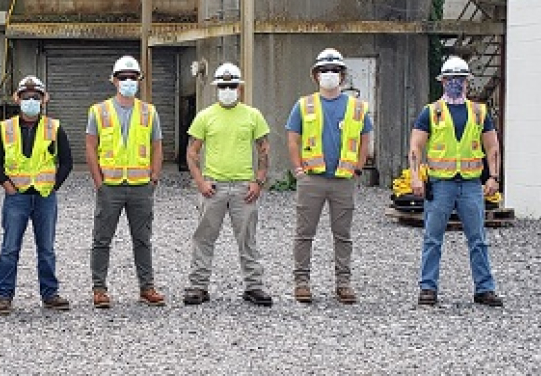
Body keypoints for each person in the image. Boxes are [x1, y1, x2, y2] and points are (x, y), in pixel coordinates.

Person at [409, 56, 504, 307]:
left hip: (471, 185)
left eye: (459, 80)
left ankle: (484, 288)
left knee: (478, 238)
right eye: (451, 79)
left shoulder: (479, 113)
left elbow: (492, 146)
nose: (455, 84)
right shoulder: (430, 113)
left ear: (467, 82)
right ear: (443, 82)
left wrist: (494, 177)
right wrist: (416, 176)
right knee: (432, 237)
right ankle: (428, 288)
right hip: (440, 184)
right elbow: (416, 147)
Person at [285, 48, 373, 305]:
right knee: (304, 233)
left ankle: (343, 283)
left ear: (343, 76)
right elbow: (293, 137)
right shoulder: (304, 104)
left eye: (334, 70)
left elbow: (365, 139)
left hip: (343, 179)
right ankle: (302, 283)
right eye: (324, 70)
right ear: (315, 76)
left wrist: (358, 167)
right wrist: (298, 169)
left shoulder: (357, 108)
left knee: (342, 234)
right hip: (312, 178)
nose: (329, 74)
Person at [182, 63, 273, 307]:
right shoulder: (204, 116)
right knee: (204, 237)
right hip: (213, 187)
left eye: (232, 85)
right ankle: (198, 286)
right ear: (216, 88)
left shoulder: (253, 115)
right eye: (223, 85)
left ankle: (254, 287)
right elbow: (192, 152)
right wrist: (200, 181)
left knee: (247, 238)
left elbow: (264, 150)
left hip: (244, 188)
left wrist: (259, 181)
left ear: (240, 88)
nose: (228, 89)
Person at [0, 76, 73, 315]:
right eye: (26, 97)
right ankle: (4, 296)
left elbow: (66, 162)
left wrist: (54, 186)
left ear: (45, 99)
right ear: (17, 99)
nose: (31, 101)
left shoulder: (54, 128)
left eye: (36, 97)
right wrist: (6, 185)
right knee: (9, 248)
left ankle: (50, 294)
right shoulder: (4, 129)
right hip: (16, 197)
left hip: (45, 197)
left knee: (46, 248)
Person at [87, 55, 165, 308]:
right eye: (123, 78)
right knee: (102, 239)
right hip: (110, 186)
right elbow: (90, 147)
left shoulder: (148, 111)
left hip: (141, 186)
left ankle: (147, 287)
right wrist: (99, 181)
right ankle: (99, 290)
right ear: (114, 80)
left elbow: (157, 146)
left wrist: (154, 176)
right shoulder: (98, 111)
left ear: (139, 81)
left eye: (133, 78)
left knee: (142, 239)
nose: (128, 82)